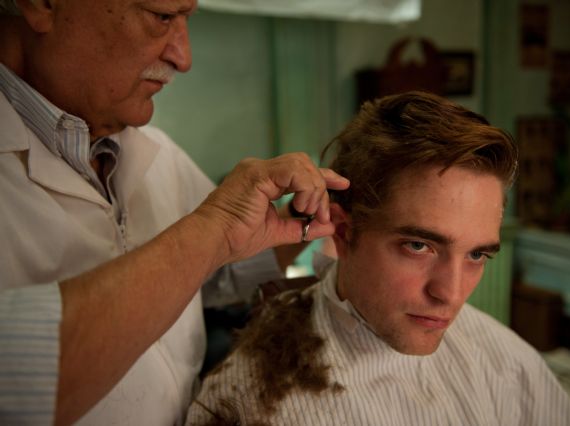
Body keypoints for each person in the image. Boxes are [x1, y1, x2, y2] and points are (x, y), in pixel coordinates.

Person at [0, 0, 349, 425]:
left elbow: (215, 275)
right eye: (162, 16)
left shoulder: (156, 151)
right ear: (42, 5)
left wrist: (302, 218)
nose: (183, 59)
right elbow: (18, 382)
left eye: (187, 19)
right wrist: (212, 229)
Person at [187, 91, 570, 425]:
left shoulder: (507, 363)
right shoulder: (250, 398)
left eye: (477, 254)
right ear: (343, 232)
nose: (451, 294)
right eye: (418, 246)